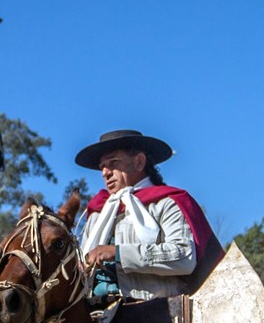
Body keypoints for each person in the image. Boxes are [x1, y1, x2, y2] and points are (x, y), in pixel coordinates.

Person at [75, 129, 221, 303]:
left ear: (139, 162)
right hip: (96, 315)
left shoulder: (166, 204)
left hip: (158, 315)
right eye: (102, 167)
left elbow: (185, 257)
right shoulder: (97, 215)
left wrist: (118, 254)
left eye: (113, 163)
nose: (105, 173)